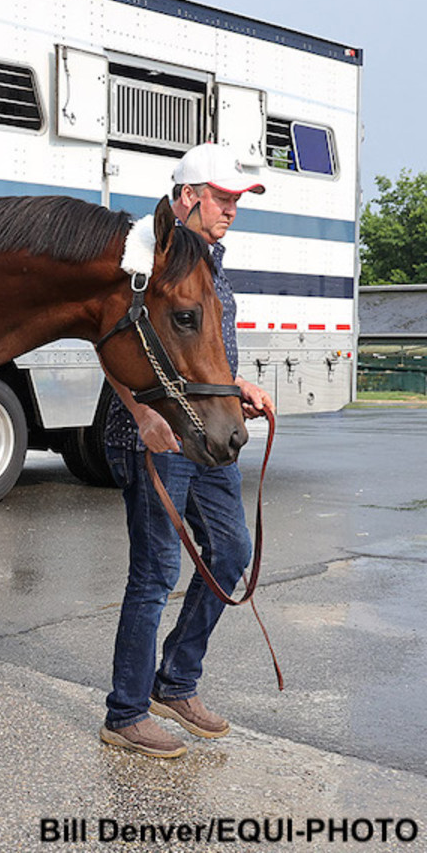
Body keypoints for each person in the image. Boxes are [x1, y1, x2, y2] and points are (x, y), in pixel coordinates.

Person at [99, 143, 274, 758]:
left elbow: (201, 351)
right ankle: (124, 712)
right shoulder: (146, 252)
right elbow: (110, 338)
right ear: (187, 196)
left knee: (231, 553)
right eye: (222, 198)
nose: (231, 209)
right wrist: (143, 412)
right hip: (159, 434)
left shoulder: (208, 260)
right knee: (155, 574)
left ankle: (174, 681)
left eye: (237, 199)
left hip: (202, 430)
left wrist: (236, 388)